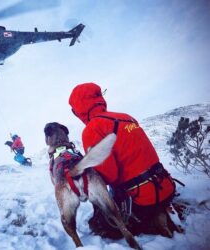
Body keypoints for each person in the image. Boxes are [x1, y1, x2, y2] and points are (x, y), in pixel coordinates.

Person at [68, 82, 180, 237]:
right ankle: (161, 212)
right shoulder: (127, 118)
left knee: (99, 225)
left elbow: (109, 175)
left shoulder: (92, 128)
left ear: (80, 107)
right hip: (165, 186)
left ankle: (150, 222)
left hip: (142, 199)